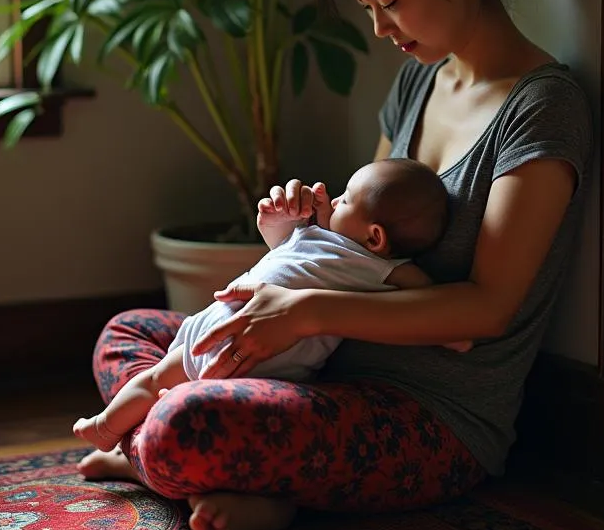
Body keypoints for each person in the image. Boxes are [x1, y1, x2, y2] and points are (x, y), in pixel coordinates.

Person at [78, 0, 594, 530]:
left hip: (425, 419)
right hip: (317, 369)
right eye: (367, 7)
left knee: (181, 423)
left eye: (387, 1)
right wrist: (300, 231)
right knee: (131, 331)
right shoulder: (418, 79)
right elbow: (361, 251)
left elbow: (486, 309)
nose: (379, 28)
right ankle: (251, 487)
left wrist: (308, 312)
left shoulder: (542, 106)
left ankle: (199, 466)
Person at [72, 158, 453, 452]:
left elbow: (438, 310)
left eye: (346, 199)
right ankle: (113, 429)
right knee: (147, 366)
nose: (335, 200)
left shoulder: (387, 271)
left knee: (167, 389)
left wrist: (454, 336)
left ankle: (129, 436)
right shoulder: (319, 232)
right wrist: (276, 221)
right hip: (213, 328)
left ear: (374, 237)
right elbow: (283, 252)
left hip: (269, 366)